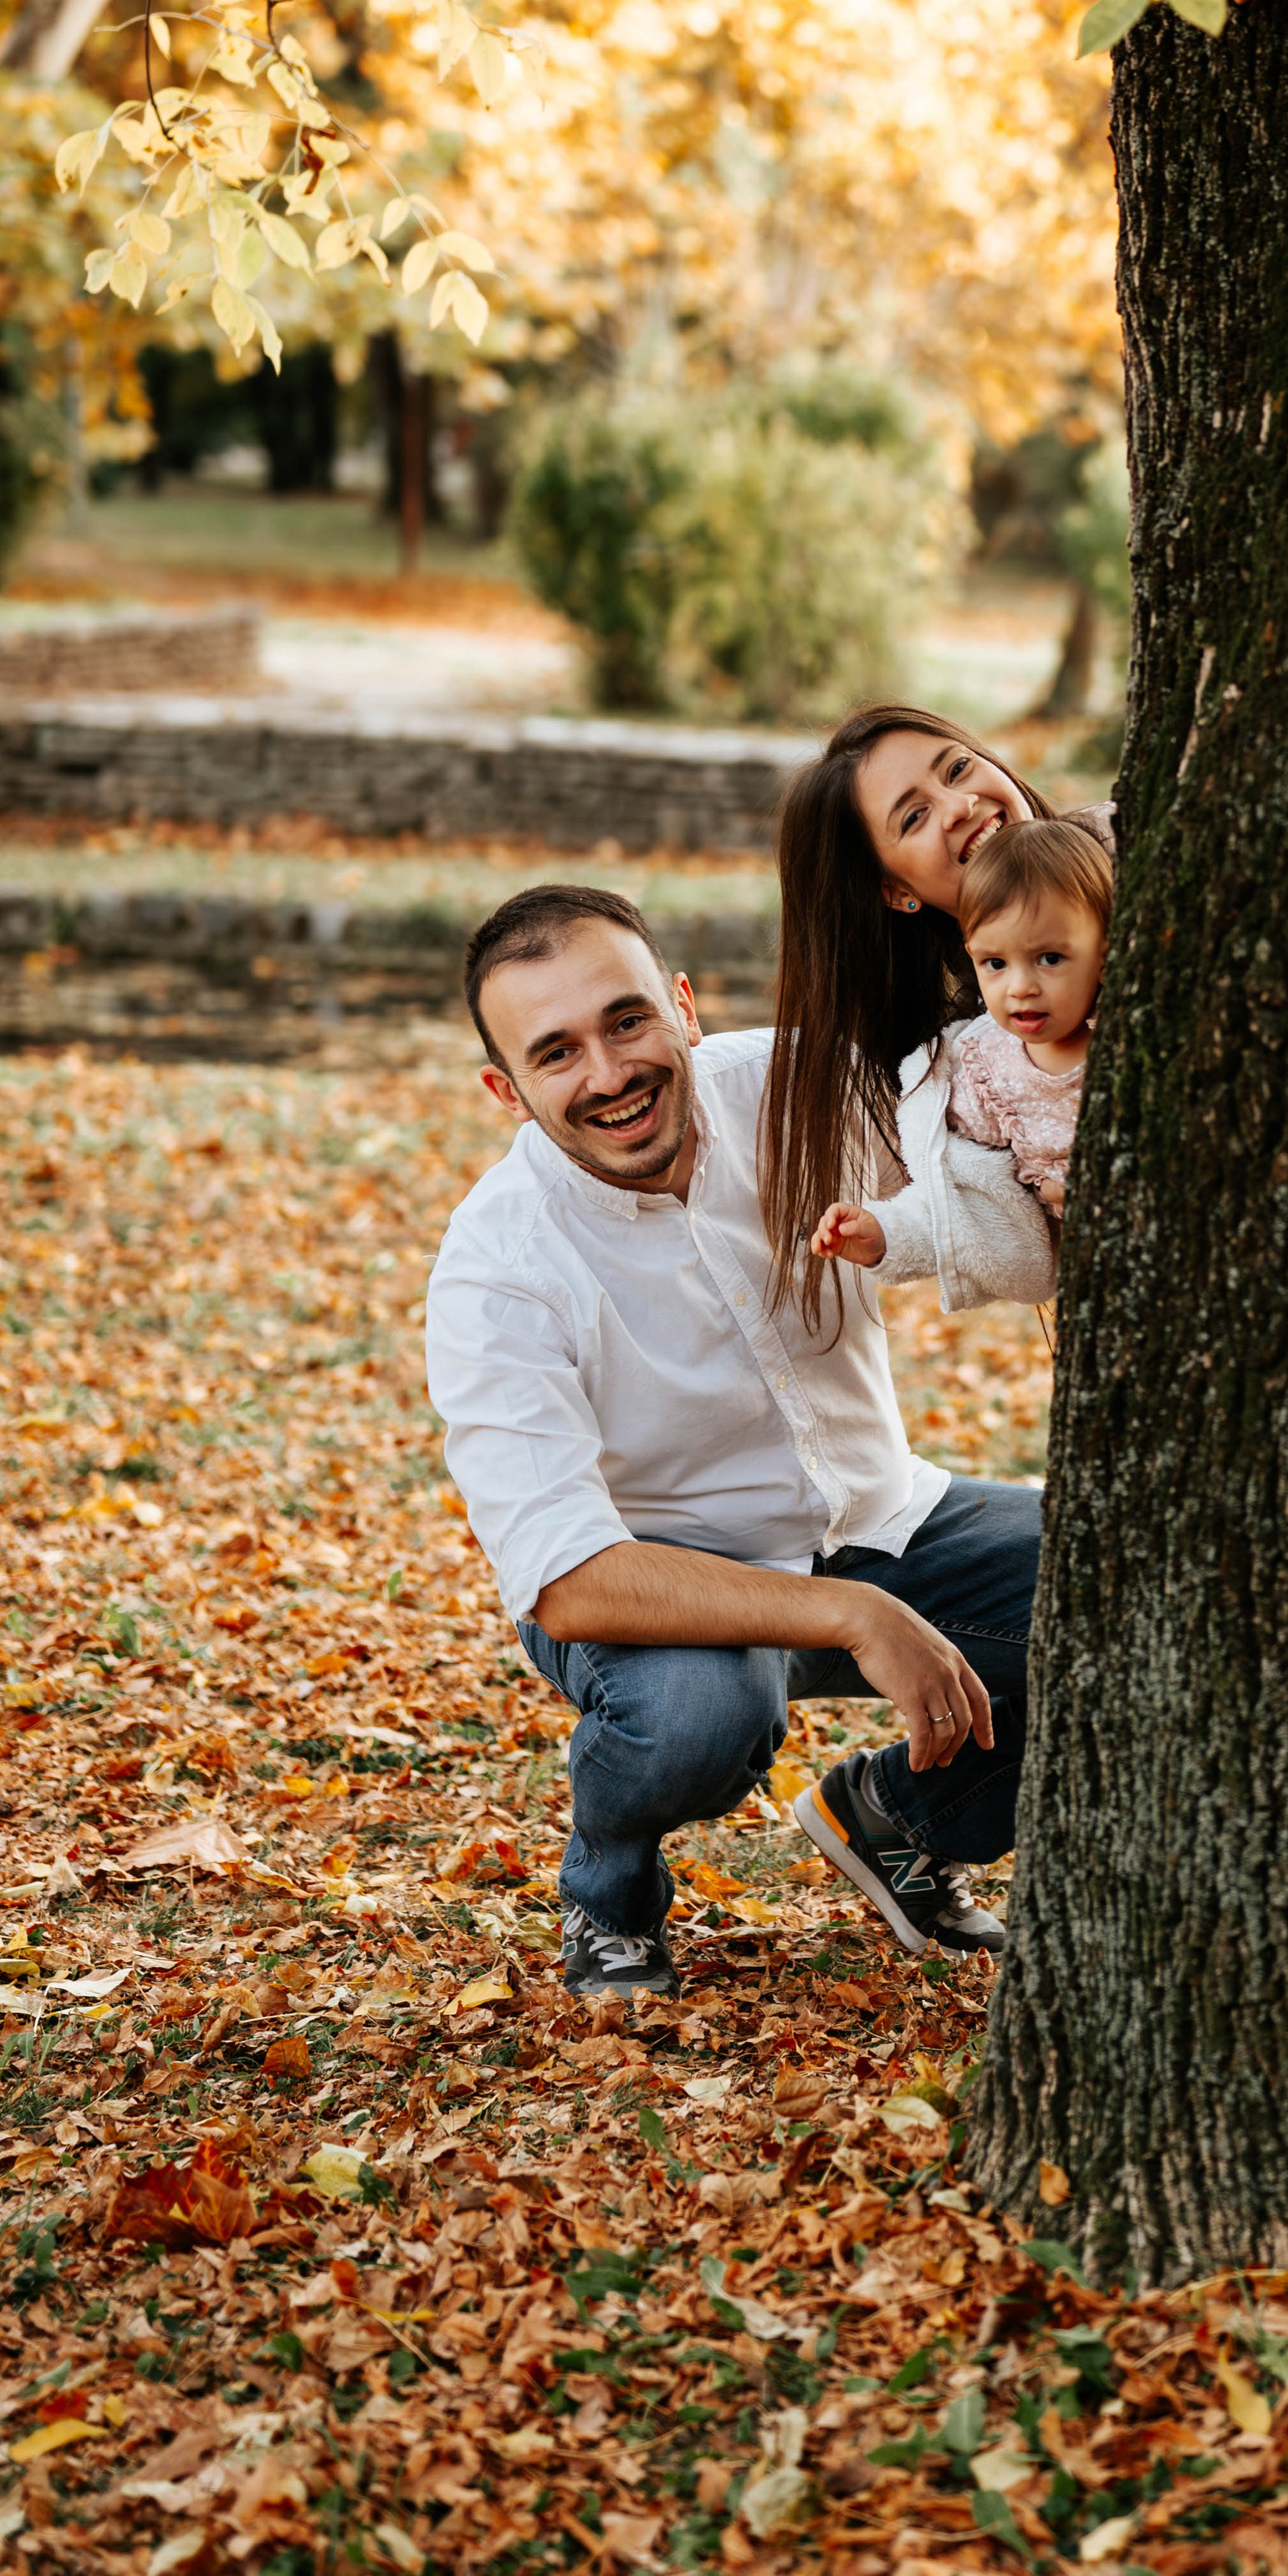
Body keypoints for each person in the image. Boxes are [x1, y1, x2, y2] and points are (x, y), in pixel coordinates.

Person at [424, 882, 1042, 2001]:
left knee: (1127, 1579)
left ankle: (899, 1819)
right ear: (506, 1092)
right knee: (701, 1719)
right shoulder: (495, 1263)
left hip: (882, 1516)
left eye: (626, 1021)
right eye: (555, 1053)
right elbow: (565, 1581)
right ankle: (608, 1892)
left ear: (685, 1005)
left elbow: (1010, 1054)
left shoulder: (798, 1087)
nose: (609, 1074)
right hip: (661, 1585)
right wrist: (856, 1616)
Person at [759, 703, 1111, 1324]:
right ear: (897, 891)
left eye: (957, 769)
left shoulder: (1124, 850)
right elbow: (979, 1207)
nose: (960, 806)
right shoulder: (977, 1054)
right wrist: (888, 1235)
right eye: (915, 816)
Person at [812, 816, 1110, 1269]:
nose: (1020, 987)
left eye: (1050, 958)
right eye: (996, 963)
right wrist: (886, 1234)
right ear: (972, 954)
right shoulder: (986, 1069)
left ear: (1105, 958)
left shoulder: (1134, 1046)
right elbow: (966, 1193)